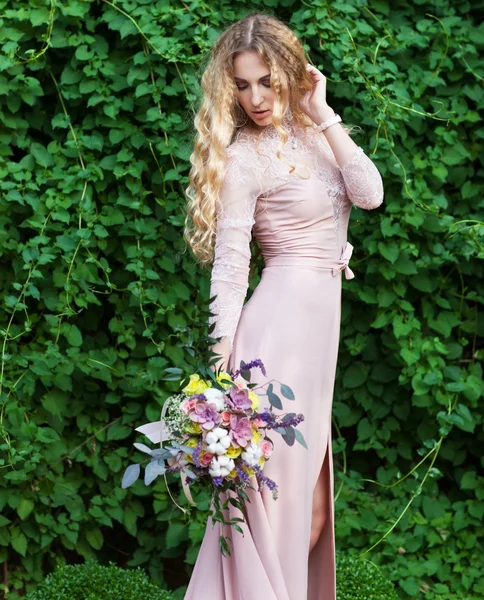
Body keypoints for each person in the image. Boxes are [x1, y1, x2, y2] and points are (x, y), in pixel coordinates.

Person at [183, 11, 384, 600]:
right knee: (272, 509)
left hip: (316, 342)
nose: (255, 98)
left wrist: (323, 114)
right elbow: (229, 266)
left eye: (266, 81)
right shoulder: (244, 157)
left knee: (313, 512)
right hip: (273, 345)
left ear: (292, 74)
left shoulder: (317, 132)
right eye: (241, 85)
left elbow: (369, 194)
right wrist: (218, 371)